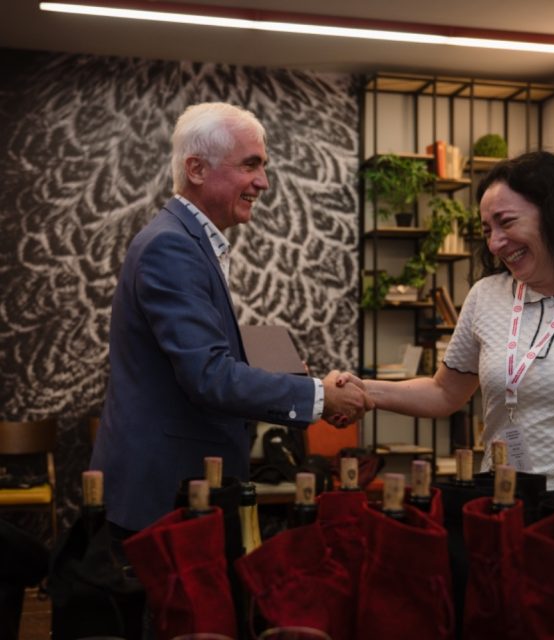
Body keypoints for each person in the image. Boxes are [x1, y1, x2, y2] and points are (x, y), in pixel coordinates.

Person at [90, 102, 373, 534]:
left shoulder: (187, 241)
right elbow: (208, 376)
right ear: (197, 169)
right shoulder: (173, 247)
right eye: (250, 165)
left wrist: (282, 379)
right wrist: (319, 396)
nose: (263, 181)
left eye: (263, 166)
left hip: (178, 488)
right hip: (162, 494)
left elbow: (196, 363)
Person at [340, 150, 554, 503]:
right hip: (508, 509)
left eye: (506, 222)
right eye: (487, 230)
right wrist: (360, 390)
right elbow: (444, 392)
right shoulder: (487, 296)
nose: (495, 243)